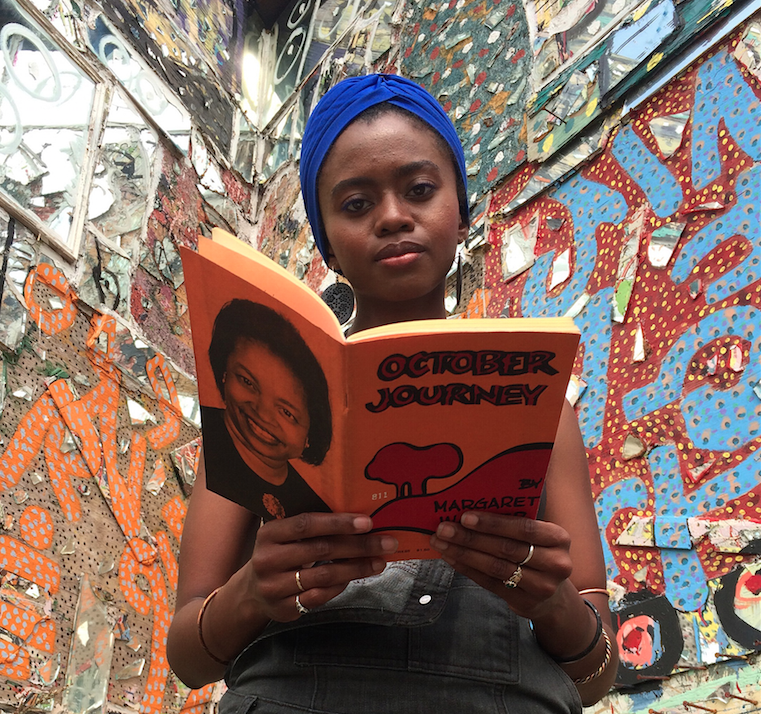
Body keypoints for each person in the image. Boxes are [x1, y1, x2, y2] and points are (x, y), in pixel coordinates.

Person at [167, 73, 619, 713]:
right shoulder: (255, 409)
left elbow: (597, 676)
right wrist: (250, 593)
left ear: (461, 211)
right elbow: (188, 659)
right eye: (356, 204)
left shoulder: (541, 402)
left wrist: (551, 601)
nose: (393, 217)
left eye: (420, 190)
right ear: (326, 242)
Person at [202, 299, 332, 519]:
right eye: (247, 382)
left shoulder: (311, 504)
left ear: (309, 437)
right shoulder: (211, 449)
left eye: (287, 413)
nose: (262, 413)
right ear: (224, 372)